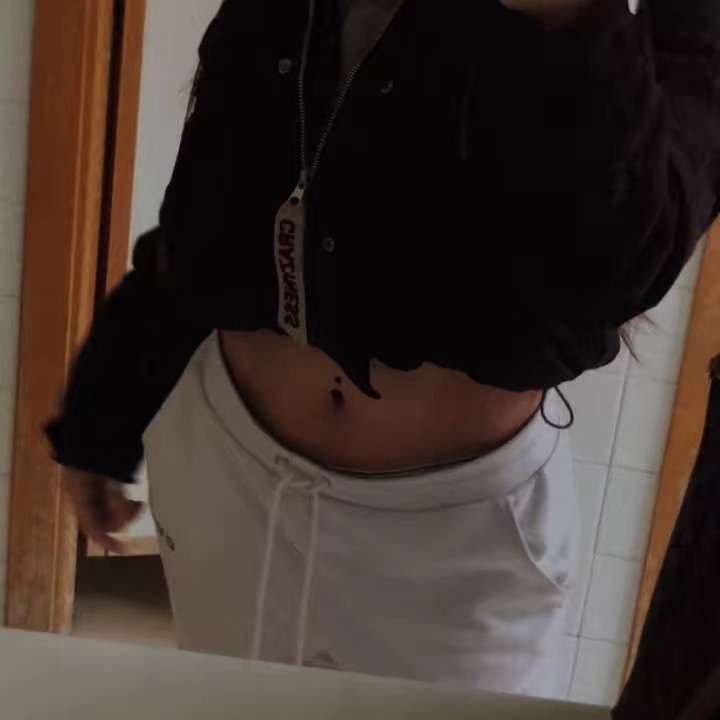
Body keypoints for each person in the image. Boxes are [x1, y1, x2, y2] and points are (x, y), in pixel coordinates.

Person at [48, 0, 719, 697]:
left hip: (456, 539)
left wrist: (573, 18)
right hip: (227, 470)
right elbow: (212, 206)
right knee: (226, 704)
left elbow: (622, 266)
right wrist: (104, 407)